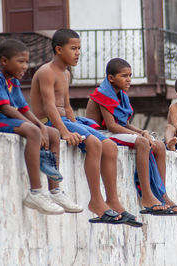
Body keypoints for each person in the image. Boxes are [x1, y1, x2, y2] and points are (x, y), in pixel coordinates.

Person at [30, 29, 142, 227]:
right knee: (93, 143)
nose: (77, 53)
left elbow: (67, 106)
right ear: (58, 49)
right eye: (73, 48)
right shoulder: (46, 72)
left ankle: (113, 200)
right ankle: (96, 202)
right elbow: (49, 106)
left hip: (66, 121)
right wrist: (64, 131)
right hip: (48, 122)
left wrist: (74, 125)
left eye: (79, 49)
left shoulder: (65, 73)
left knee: (109, 146)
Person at [0, 39, 76, 215]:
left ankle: (55, 190)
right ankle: (35, 192)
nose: (25, 66)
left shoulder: (13, 81)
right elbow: (5, 108)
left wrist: (41, 125)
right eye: (21, 61)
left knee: (53, 133)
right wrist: (36, 128)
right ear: (4, 61)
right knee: (32, 131)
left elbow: (24, 109)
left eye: (27, 61)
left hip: (4, 120)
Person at [86, 58, 177, 216]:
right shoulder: (103, 94)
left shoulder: (121, 95)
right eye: (124, 76)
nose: (128, 80)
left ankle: (162, 196)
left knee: (159, 145)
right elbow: (112, 126)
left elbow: (124, 124)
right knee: (142, 143)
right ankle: (146, 196)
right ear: (111, 78)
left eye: (130, 75)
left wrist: (142, 132)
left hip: (113, 131)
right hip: (99, 133)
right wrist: (140, 137)